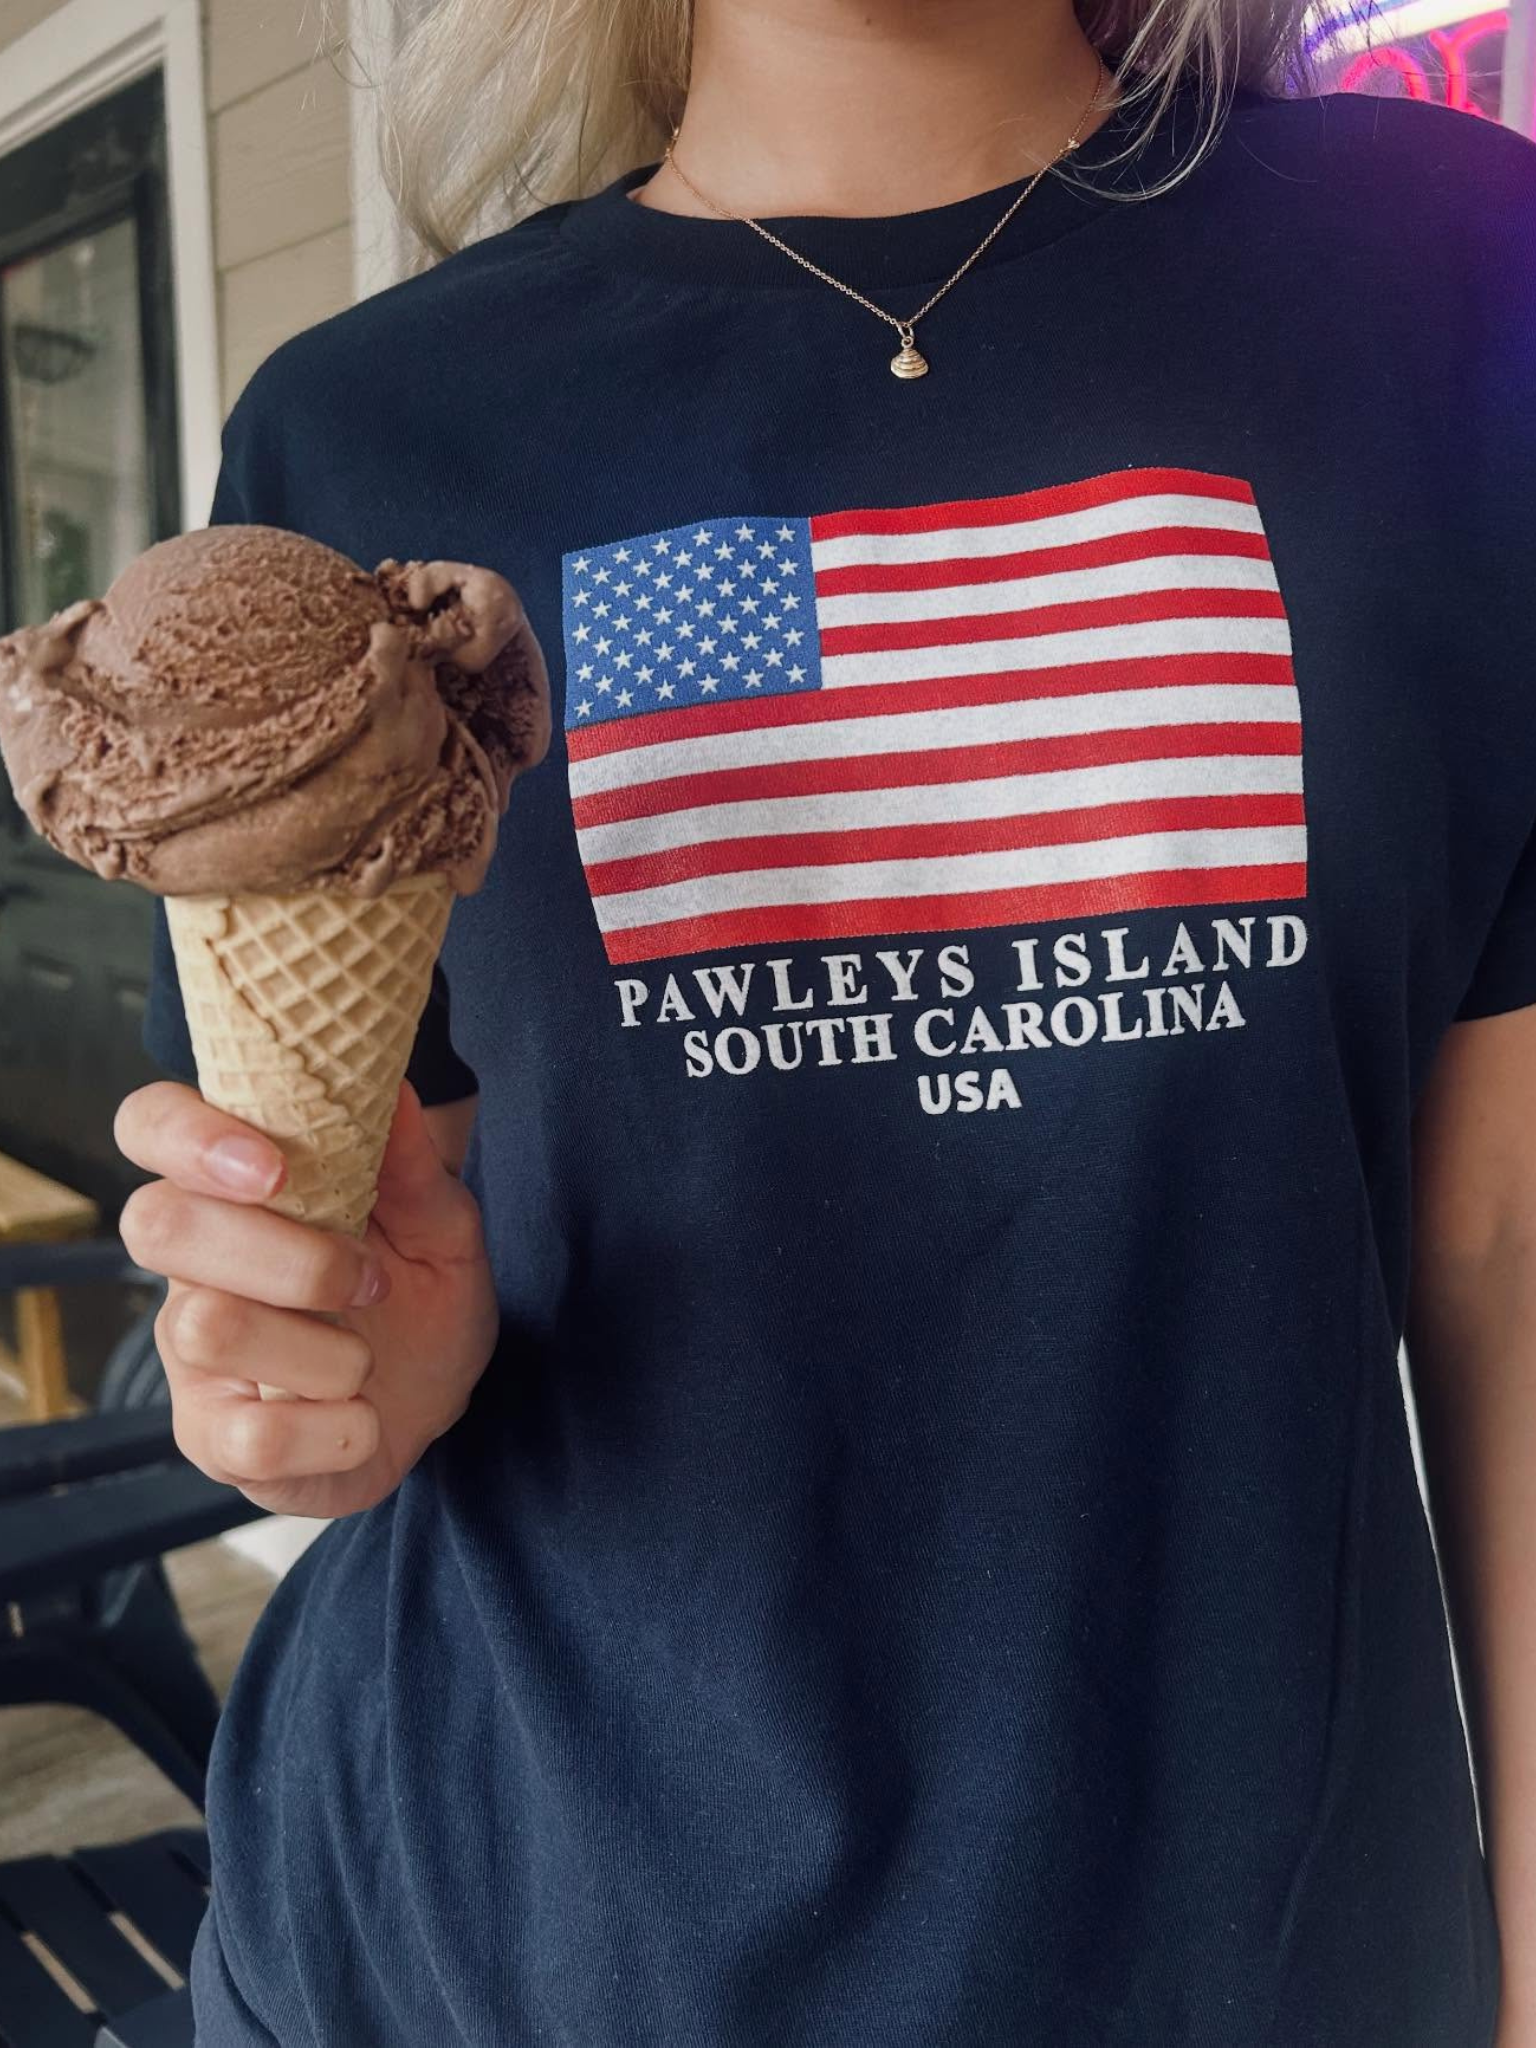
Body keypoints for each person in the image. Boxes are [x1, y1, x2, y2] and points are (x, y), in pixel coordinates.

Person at [111, 0, 1536, 2038]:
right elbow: (380, 1236)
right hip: (491, 1939)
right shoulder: (366, 427)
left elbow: (1504, 1254)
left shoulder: (1451, 267)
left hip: (1259, 1946)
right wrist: (334, 1370)